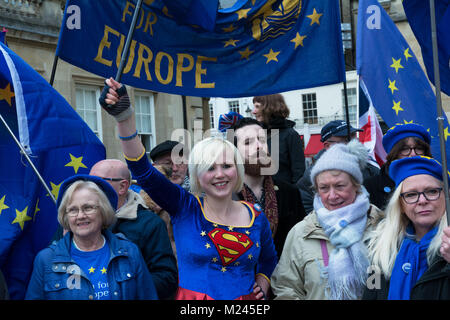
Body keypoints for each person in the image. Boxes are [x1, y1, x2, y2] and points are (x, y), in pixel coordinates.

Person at [100, 77, 278, 300]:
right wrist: (124, 118)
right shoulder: (185, 206)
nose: (220, 174)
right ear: (197, 175)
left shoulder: (256, 215)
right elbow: (142, 170)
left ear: (238, 170)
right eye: (210, 168)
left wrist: (262, 281)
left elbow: (269, 259)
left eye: (226, 166)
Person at [271, 139, 384, 299]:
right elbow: (286, 288)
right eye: (324, 188)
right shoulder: (301, 233)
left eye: (339, 186)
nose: (332, 195)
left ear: (356, 185)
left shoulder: (381, 227)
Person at [25, 174, 158, 300]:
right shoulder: (46, 260)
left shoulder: (129, 252)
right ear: (65, 216)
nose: (80, 215)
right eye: (73, 210)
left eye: (88, 208)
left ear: (103, 211)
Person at [89, 159, 178, 299]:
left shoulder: (149, 224)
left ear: (122, 187)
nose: (89, 188)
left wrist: (121, 288)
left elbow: (166, 279)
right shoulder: (76, 220)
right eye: (88, 182)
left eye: (98, 182)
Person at [364, 156, 450, 300]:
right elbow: (371, 292)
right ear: (401, 205)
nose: (422, 200)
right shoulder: (379, 246)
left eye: (432, 191)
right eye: (411, 195)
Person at [231, 117, 307, 257]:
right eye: (248, 142)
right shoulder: (227, 196)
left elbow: (303, 241)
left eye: (262, 140)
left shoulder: (289, 193)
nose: (259, 146)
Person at [296, 120, 379, 214]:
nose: (353, 143)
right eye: (346, 140)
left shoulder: (369, 169)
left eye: (354, 138)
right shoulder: (312, 173)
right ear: (328, 146)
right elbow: (306, 203)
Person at [363, 123, 432, 210]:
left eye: (419, 148)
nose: (413, 154)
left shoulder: (440, 181)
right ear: (393, 154)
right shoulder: (370, 186)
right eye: (405, 149)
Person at [252, 94, 305, 185]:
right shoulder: (256, 134)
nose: (253, 111)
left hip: (283, 195)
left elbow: (299, 173)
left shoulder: (290, 135)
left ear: (270, 107)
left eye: (257, 106)